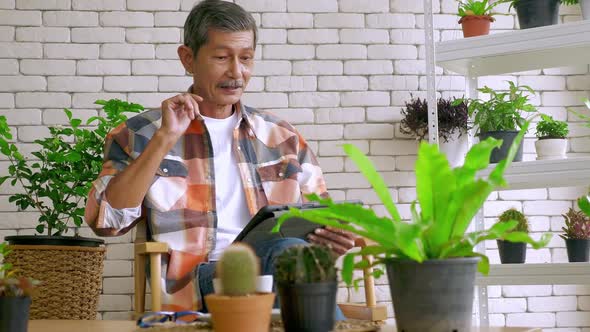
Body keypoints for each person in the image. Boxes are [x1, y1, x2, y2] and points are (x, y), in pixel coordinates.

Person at [84, 0, 355, 313]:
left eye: (246, 58)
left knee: (291, 254)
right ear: (188, 58)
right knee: (290, 258)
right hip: (199, 281)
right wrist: (165, 139)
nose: (236, 72)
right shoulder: (140, 133)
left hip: (280, 272)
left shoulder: (282, 137)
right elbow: (106, 222)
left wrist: (330, 240)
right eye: (222, 57)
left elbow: (319, 219)